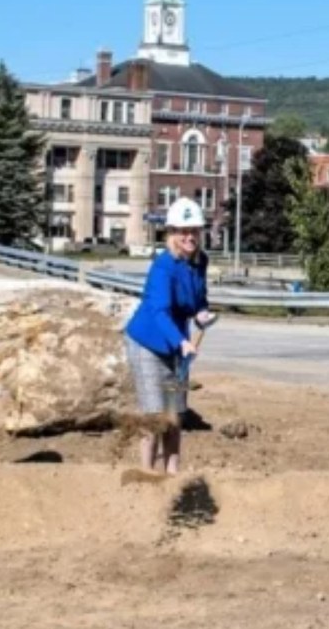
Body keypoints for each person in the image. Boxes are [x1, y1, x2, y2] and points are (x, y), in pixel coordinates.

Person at [123, 197, 215, 475]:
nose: (190, 237)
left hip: (178, 348)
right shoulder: (163, 267)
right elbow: (159, 311)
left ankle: (172, 473)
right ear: (172, 234)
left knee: (174, 415)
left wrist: (201, 314)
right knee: (155, 416)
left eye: (195, 231)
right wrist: (182, 342)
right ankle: (147, 473)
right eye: (183, 231)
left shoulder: (200, 261)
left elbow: (199, 299)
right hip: (149, 345)